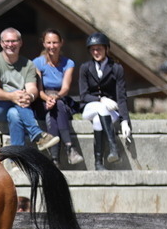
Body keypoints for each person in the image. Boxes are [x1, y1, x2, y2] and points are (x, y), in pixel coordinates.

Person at [0, 28, 59, 152]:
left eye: (14, 41)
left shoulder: (28, 65)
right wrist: (12, 96)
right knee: (16, 97)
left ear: (20, 42)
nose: (10, 45)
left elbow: (32, 89)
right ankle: (37, 134)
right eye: (7, 41)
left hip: (18, 105)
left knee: (14, 114)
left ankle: (17, 160)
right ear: (1, 43)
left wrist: (30, 97)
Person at [33, 29, 83, 166]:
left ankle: (55, 159)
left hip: (59, 97)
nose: (52, 46)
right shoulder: (37, 63)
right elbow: (39, 90)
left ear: (61, 43)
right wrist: (47, 98)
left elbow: (65, 88)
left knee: (58, 106)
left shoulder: (68, 63)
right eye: (48, 42)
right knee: (56, 108)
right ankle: (70, 148)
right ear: (43, 44)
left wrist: (55, 97)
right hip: (42, 98)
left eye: (55, 42)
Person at [78, 32, 127, 170]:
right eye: (93, 49)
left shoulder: (116, 68)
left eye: (99, 48)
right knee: (100, 108)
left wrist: (124, 121)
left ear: (106, 49)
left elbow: (121, 97)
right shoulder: (85, 68)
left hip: (110, 110)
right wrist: (101, 99)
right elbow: (83, 95)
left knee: (99, 119)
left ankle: (98, 163)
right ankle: (113, 147)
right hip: (90, 108)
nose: (96, 52)